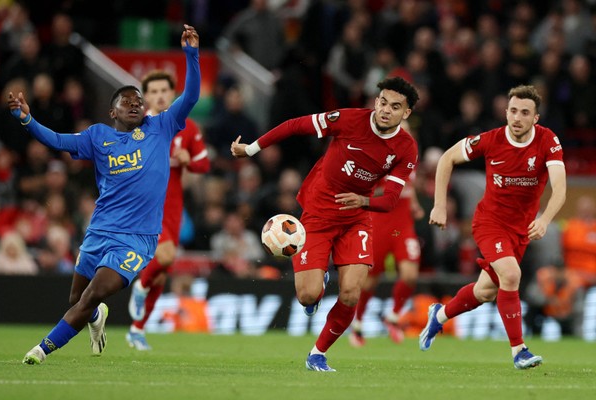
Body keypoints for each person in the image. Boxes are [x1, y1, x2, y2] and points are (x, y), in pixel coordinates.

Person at [11, 24, 201, 365]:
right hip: (99, 232)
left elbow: (190, 97)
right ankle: (97, 317)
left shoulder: (162, 127)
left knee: (95, 292)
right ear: (112, 112)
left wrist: (191, 55)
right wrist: (27, 120)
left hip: (137, 240)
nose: (136, 104)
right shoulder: (97, 137)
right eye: (127, 101)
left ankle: (41, 350)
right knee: (78, 299)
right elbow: (56, 140)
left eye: (139, 101)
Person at [231, 76, 419, 372]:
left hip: (357, 219)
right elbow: (295, 125)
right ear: (375, 100)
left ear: (405, 114)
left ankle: (317, 353)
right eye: (382, 102)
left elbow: (392, 199)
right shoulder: (348, 120)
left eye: (395, 107)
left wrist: (363, 202)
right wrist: (252, 149)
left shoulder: (406, 147)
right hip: (318, 215)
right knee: (308, 294)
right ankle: (319, 285)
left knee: (351, 293)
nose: (385, 110)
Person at [420, 85, 566, 369]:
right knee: (511, 275)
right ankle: (519, 351)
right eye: (513, 111)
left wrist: (545, 219)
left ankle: (438, 316)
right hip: (490, 223)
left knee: (485, 291)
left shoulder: (548, 140)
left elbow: (560, 187)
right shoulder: (491, 140)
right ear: (506, 112)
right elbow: (447, 158)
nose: (517, 118)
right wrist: (439, 204)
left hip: (520, 230)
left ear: (536, 117)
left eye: (525, 112)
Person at [127, 69, 210, 351]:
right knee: (165, 256)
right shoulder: (136, 125)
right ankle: (139, 287)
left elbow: (204, 164)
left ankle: (137, 330)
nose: (160, 95)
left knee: (161, 271)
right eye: (154, 91)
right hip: (144, 199)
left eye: (165, 90)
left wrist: (188, 160)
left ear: (173, 94)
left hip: (172, 199)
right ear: (145, 97)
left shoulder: (189, 127)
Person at [349, 169, 423, 346]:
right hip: (379, 225)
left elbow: (409, 187)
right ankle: (357, 324)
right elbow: (365, 192)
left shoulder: (410, 160)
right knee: (369, 281)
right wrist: (391, 188)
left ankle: (393, 317)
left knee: (410, 275)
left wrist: (414, 204)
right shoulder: (379, 161)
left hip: (403, 227)